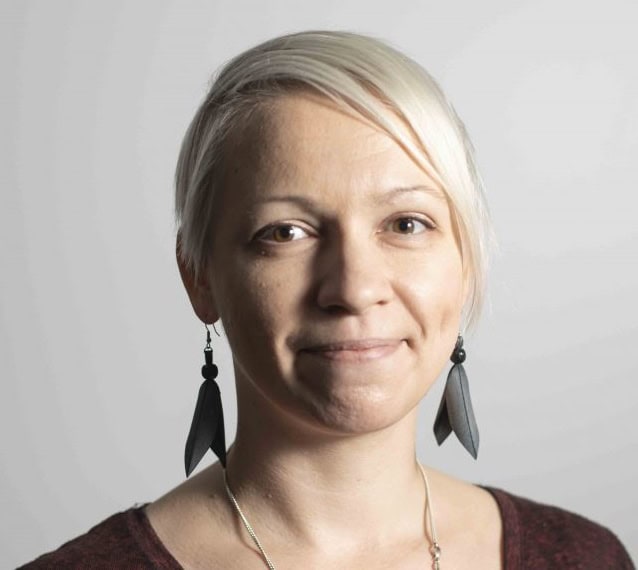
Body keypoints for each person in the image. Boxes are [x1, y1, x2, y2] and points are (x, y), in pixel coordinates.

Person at [20, 30, 633, 570]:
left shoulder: (587, 558)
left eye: (407, 224)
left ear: (466, 263)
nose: (354, 289)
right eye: (286, 232)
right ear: (199, 277)